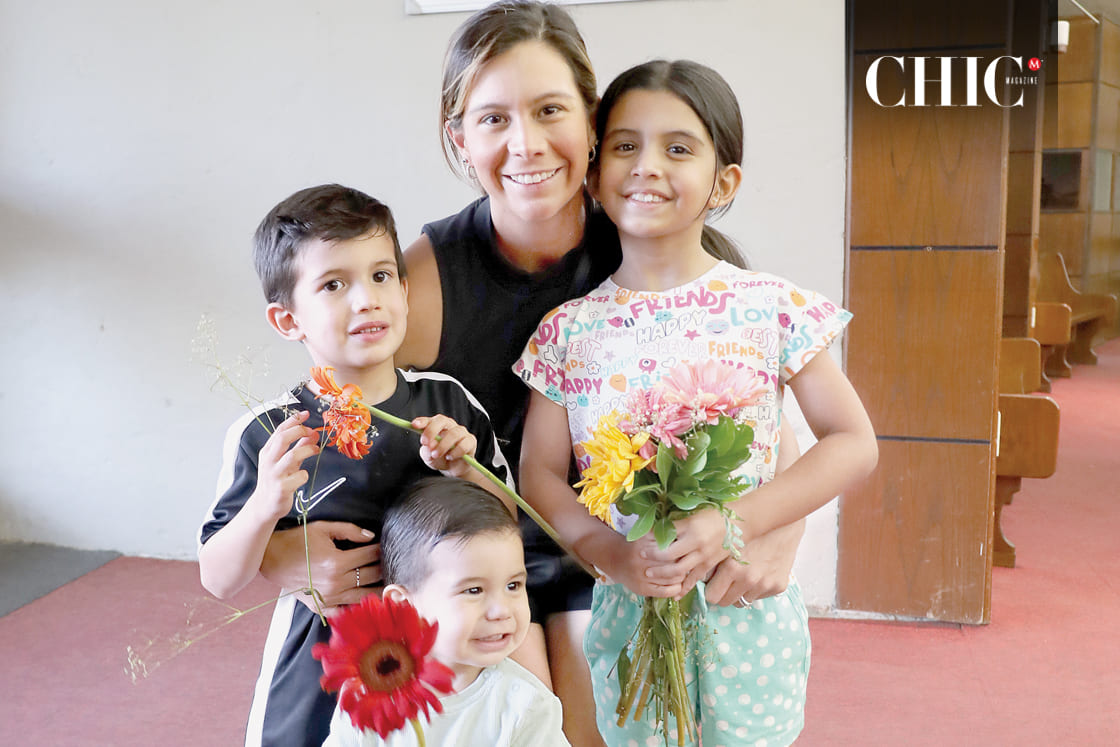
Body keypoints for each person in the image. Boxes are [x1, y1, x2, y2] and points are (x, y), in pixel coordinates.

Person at [261, 5, 807, 745]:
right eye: (492, 120)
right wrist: (279, 553)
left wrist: (783, 526)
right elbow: (353, 429)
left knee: (595, 714)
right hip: (472, 555)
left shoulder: (658, 238)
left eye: (551, 110)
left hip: (614, 550)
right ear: (461, 139)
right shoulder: (420, 284)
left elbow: (762, 419)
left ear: (591, 120)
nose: (526, 144)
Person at [516, 60, 879, 745]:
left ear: (724, 182)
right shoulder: (566, 331)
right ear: (595, 174)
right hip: (629, 606)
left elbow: (852, 441)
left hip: (746, 609)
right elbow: (538, 470)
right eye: (625, 145)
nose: (647, 164)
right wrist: (608, 551)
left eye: (678, 148)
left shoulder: (772, 306)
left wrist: (732, 522)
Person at [197, 184, 513, 746]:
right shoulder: (270, 433)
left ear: (405, 289)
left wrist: (468, 472)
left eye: (382, 275)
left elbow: (510, 522)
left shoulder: (450, 405)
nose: (365, 299)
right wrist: (268, 505)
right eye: (334, 285)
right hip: (325, 668)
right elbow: (218, 577)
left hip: (450, 658)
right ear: (287, 320)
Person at [324, 477, 570, 746]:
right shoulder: (369, 694)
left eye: (513, 585)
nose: (501, 611)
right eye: (474, 590)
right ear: (402, 605)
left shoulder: (528, 706)